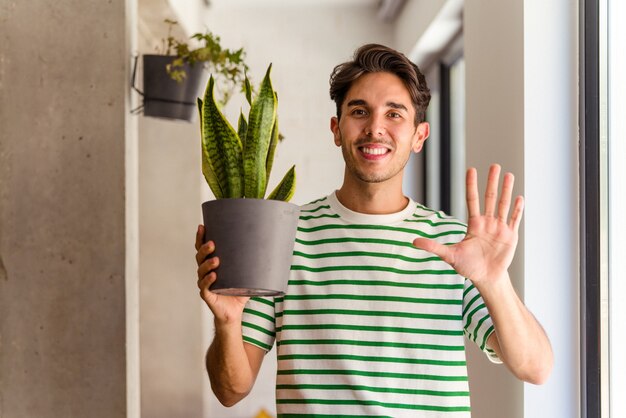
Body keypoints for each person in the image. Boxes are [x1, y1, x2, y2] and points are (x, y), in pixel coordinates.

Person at [195, 43, 553, 417]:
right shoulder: (284, 235)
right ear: (336, 129)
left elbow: (536, 367)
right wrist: (228, 319)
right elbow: (231, 390)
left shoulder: (456, 246)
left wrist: (494, 281)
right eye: (359, 111)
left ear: (419, 136)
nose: (375, 128)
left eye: (394, 114)